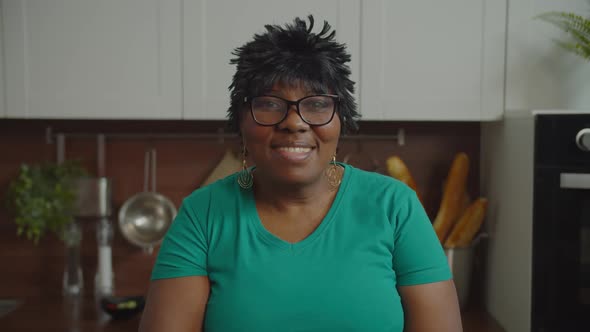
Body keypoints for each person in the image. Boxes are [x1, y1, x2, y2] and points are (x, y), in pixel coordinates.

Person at [139, 15, 462, 332]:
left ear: (341, 120)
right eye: (269, 103)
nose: (294, 122)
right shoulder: (202, 214)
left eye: (317, 104)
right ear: (241, 121)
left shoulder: (395, 206)